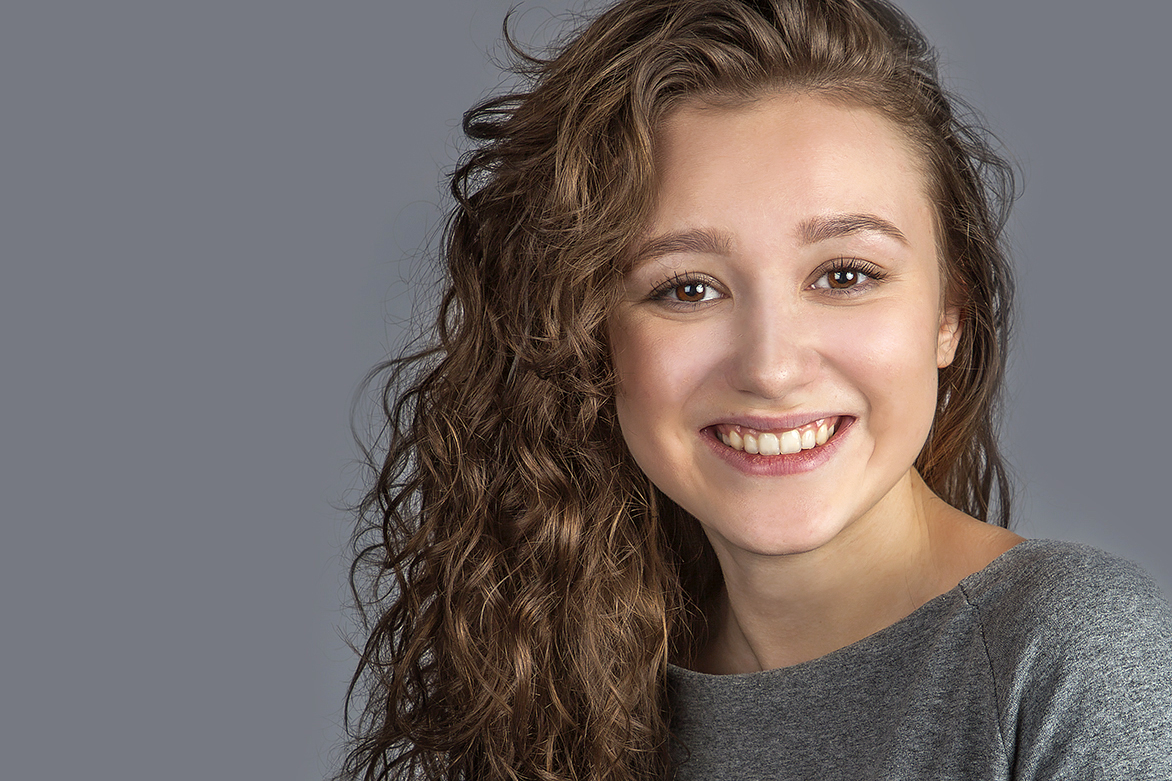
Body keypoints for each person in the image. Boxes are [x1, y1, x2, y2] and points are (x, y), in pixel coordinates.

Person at [336, 1, 1172, 779]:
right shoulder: (562, 687)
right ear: (587, 336)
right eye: (687, 288)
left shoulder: (1070, 654)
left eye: (846, 274)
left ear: (948, 312)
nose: (771, 368)